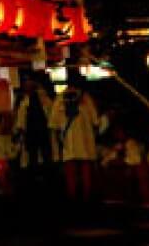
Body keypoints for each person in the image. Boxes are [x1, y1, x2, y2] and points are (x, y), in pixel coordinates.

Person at [49, 70, 100, 206]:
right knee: (85, 170)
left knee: (70, 171)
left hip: (68, 142)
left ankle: (72, 199)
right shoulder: (86, 98)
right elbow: (96, 121)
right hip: (86, 141)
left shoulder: (59, 99)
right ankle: (87, 199)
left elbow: (53, 125)